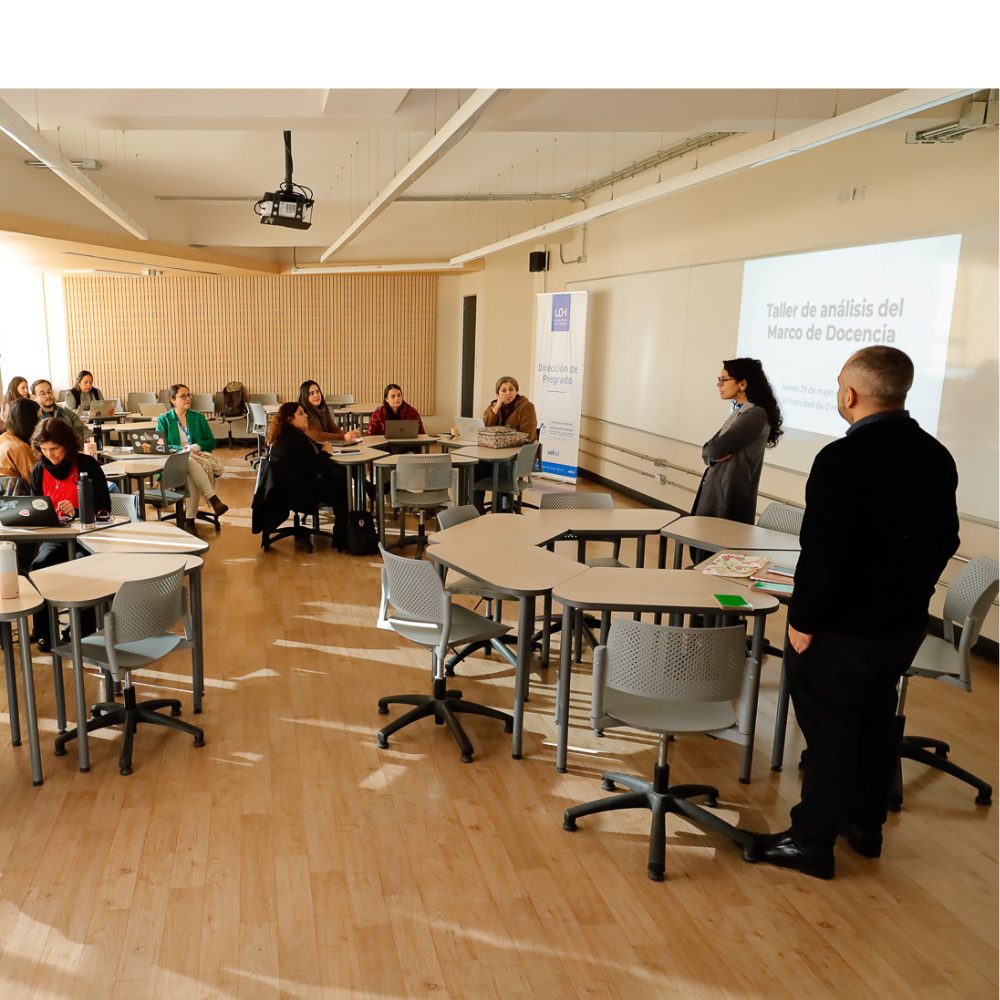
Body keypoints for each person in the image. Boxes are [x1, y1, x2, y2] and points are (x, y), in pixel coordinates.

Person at [744, 346, 960, 880]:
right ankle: (865, 827)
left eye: (840, 381)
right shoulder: (937, 456)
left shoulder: (841, 459)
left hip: (840, 628)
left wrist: (803, 621)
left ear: (851, 394)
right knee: (874, 723)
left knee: (830, 732)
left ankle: (810, 842)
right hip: (903, 624)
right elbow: (947, 539)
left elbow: (826, 553)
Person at [28, 417, 111, 651]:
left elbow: (105, 507)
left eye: (54, 448)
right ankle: (45, 632)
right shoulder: (38, 470)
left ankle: (82, 632)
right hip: (55, 536)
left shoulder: (87, 465)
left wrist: (76, 510)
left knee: (83, 567)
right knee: (39, 567)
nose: (50, 454)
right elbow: (35, 508)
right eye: (44, 450)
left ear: (66, 444)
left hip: (88, 536)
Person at [692, 358, 782, 524]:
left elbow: (712, 449)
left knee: (715, 545)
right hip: (718, 490)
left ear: (742, 384)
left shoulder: (755, 414)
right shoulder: (739, 411)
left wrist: (710, 454)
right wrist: (710, 455)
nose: (719, 385)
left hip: (729, 497)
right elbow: (709, 450)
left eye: (724, 380)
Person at [256, 402, 349, 549]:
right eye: (301, 413)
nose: (306, 415)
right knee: (341, 489)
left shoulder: (286, 436)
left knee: (337, 476)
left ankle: (342, 534)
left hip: (285, 489)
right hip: (299, 492)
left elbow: (306, 455)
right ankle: (341, 537)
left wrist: (322, 449)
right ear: (289, 419)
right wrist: (325, 452)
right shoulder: (295, 439)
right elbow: (313, 464)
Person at [156, 383, 229, 525]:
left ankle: (190, 520)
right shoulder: (163, 420)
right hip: (173, 461)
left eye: (189, 395)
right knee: (187, 459)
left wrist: (197, 445)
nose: (188, 398)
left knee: (189, 469)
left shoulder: (198, 418)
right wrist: (182, 450)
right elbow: (161, 445)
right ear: (172, 400)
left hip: (196, 458)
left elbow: (211, 442)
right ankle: (212, 499)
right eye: (183, 396)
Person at [473, 375, 538, 511]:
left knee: (503, 466)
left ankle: (502, 510)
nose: (507, 393)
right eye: (503, 390)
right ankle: (476, 510)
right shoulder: (493, 406)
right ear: (498, 393)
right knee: (474, 467)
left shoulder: (526, 407)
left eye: (511, 389)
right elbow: (485, 428)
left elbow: (528, 435)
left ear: (516, 391)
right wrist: (496, 407)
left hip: (517, 457)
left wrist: (505, 438)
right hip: (494, 455)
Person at [297, 381, 361, 445]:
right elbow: (317, 436)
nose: (316, 395)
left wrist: (350, 434)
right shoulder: (302, 413)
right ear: (305, 397)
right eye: (311, 393)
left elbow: (334, 429)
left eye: (318, 391)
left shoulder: (322, 409)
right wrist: (343, 437)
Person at [30, 379, 92, 443]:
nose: (48, 396)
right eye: (43, 394)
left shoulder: (66, 412)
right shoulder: (33, 417)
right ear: (35, 397)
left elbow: (84, 431)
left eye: (49, 392)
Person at [0, 398, 42, 488]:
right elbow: (35, 482)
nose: (40, 423)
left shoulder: (3, 438)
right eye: (38, 419)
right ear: (29, 421)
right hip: (14, 498)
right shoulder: (20, 447)